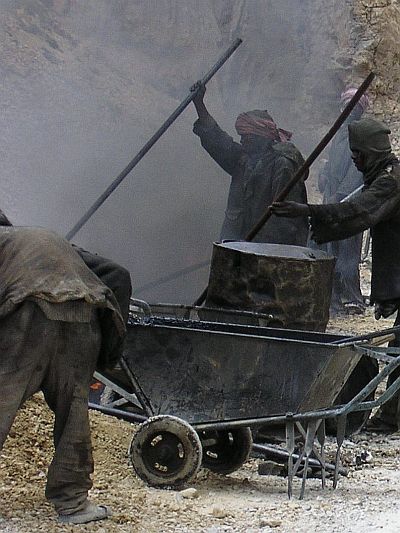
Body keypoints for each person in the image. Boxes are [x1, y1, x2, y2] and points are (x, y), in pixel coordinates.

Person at [271, 116, 400, 432]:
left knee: (399, 347)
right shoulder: (385, 176)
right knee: (397, 346)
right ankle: (392, 415)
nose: (354, 160)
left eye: (357, 154)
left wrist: (308, 212)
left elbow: (360, 212)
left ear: (370, 151)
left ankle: (390, 417)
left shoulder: (390, 181)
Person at [0, 224, 126, 524]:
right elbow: (119, 275)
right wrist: (111, 354)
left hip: (28, 315)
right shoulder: (39, 238)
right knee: (74, 410)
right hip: (85, 315)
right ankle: (73, 503)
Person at [192, 84, 309, 245]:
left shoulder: (282, 164)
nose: (241, 141)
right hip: (238, 247)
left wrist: (256, 250)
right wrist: (199, 104)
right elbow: (218, 141)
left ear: (262, 137)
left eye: (246, 137)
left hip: (267, 252)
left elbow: (284, 221)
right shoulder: (245, 159)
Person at [316, 88, 369, 316]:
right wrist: (324, 178)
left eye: (354, 107)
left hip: (349, 206)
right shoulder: (339, 136)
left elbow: (357, 174)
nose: (349, 111)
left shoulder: (361, 135)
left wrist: (340, 198)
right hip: (333, 200)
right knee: (331, 252)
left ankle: (351, 299)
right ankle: (334, 299)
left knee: (348, 256)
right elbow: (330, 168)